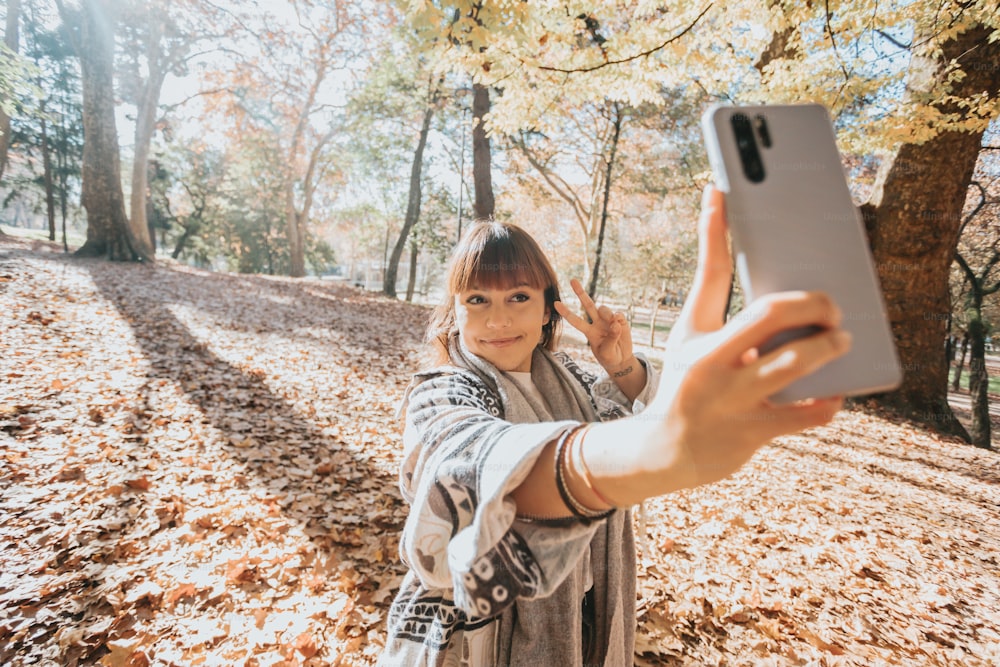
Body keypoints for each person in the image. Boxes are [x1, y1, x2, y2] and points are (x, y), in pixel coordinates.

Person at [379, 187, 851, 666]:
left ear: (547, 310)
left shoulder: (574, 378)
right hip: (479, 636)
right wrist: (652, 447)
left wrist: (622, 366)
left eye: (518, 297)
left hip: (587, 607)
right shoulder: (441, 390)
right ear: (454, 313)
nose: (497, 318)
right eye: (477, 299)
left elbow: (635, 410)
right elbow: (462, 456)